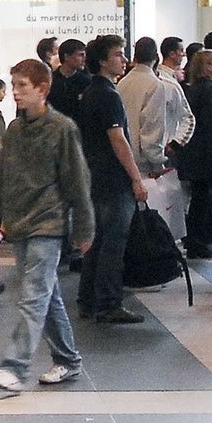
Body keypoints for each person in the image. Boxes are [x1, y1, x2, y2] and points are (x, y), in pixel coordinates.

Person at [0, 57, 92, 393]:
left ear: (43, 89)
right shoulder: (15, 130)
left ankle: (14, 367)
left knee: (33, 296)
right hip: (20, 223)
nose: (15, 94)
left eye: (22, 87)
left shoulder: (62, 129)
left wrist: (84, 229)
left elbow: (77, 182)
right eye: (13, 87)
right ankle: (68, 360)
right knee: (46, 294)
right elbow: (0, 178)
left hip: (47, 225)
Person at [74, 36, 146, 323]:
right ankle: (108, 302)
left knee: (98, 239)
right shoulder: (108, 95)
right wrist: (136, 178)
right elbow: (118, 139)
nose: (123, 59)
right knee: (114, 241)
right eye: (117, 54)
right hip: (113, 178)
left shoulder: (92, 92)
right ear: (103, 61)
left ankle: (88, 298)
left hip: (94, 174)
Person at [118, 37, 192, 241]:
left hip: (125, 160)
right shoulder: (155, 84)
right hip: (146, 164)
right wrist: (157, 161)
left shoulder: (122, 83)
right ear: (156, 57)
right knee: (155, 224)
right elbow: (152, 128)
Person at [180, 47, 212, 259]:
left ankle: (199, 237)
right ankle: (200, 239)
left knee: (201, 197)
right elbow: (211, 123)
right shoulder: (209, 90)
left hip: (194, 151)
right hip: (205, 152)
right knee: (205, 197)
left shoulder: (193, 88)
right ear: (206, 66)